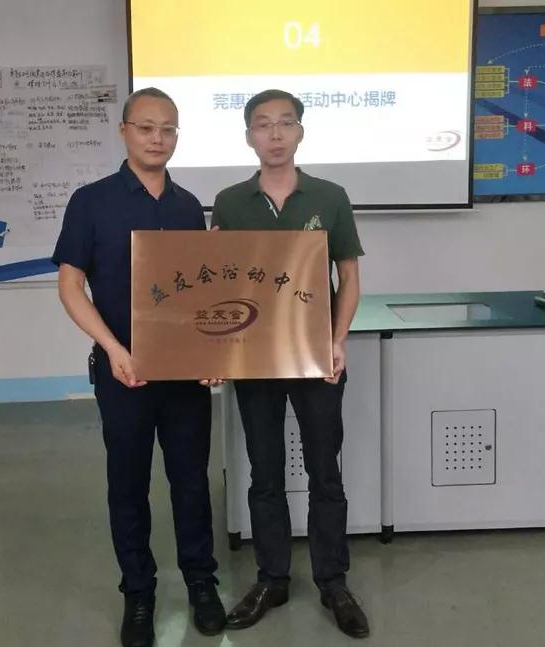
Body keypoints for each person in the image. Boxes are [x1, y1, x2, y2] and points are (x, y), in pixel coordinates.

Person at [52, 87, 225, 647]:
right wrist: (113, 348)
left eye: (168, 129)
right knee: (127, 484)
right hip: (123, 371)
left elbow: (201, 295)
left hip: (184, 375)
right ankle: (139, 593)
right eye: (146, 127)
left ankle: (201, 583)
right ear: (124, 130)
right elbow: (71, 287)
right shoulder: (91, 202)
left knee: (191, 481)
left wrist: (212, 355)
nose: (157, 138)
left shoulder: (187, 206)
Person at [211, 89, 369, 639]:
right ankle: (272, 578)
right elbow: (219, 281)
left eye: (285, 123)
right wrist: (215, 351)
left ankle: (333, 581)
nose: (274, 134)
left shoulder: (330, 197)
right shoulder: (229, 202)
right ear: (249, 136)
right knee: (264, 472)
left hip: (315, 354)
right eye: (263, 125)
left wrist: (338, 339)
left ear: (300, 131)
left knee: (325, 470)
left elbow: (349, 276)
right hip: (254, 358)